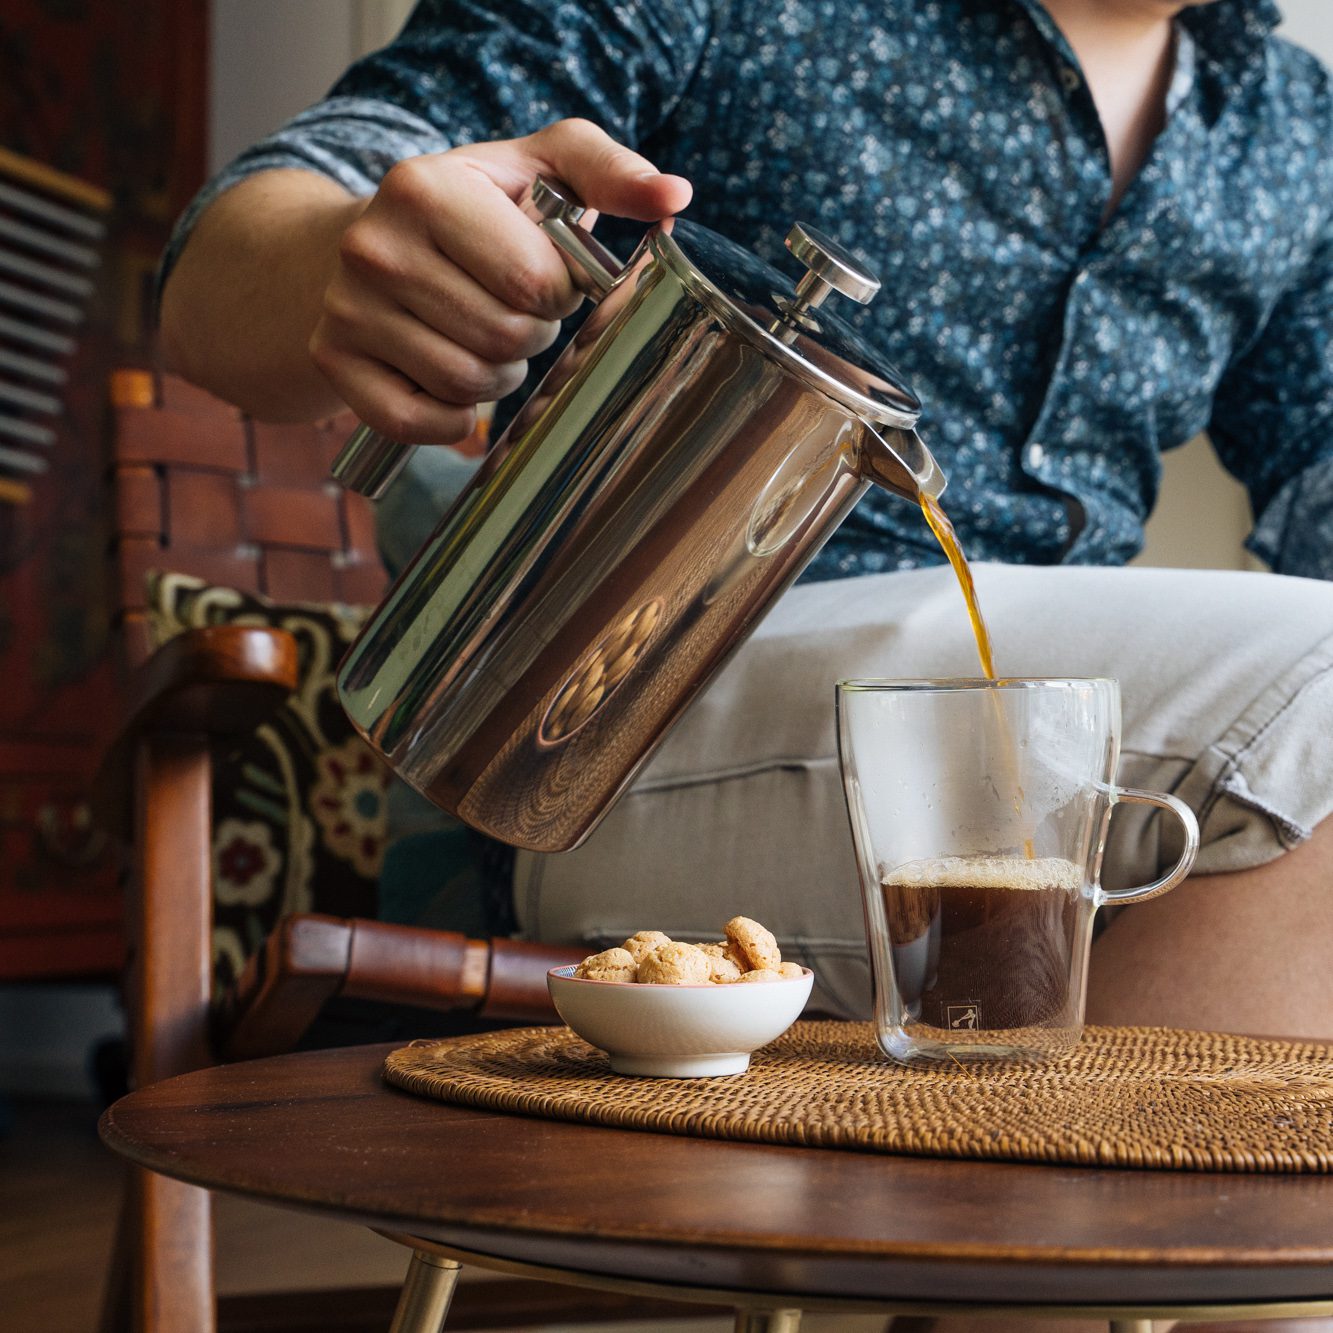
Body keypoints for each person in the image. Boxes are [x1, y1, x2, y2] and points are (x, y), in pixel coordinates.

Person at [160, 4, 1333, 1325]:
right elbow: (234, 262)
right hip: (623, 714)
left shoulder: (1283, 123)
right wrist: (341, 261)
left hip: (1031, 758)